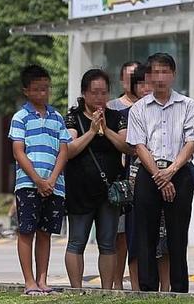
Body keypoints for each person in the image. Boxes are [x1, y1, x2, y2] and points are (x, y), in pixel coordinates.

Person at [126, 52, 194, 293]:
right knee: (145, 234)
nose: (160, 78)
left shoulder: (188, 105)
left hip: (179, 172)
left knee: (178, 234)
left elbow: (191, 142)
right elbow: (138, 146)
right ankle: (148, 289)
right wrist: (159, 177)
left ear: (173, 74)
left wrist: (170, 172)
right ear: (148, 77)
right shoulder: (138, 109)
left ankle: (180, 289)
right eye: (155, 72)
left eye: (165, 72)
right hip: (148, 173)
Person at [64, 69, 130, 289]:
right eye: (94, 93)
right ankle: (76, 290)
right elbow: (70, 149)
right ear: (84, 93)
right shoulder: (73, 117)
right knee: (76, 242)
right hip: (80, 190)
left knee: (108, 243)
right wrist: (92, 131)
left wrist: (105, 129)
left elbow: (127, 146)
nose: (99, 97)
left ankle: (107, 291)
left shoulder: (116, 117)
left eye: (104, 93)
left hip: (109, 192)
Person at [8, 65, 71, 296]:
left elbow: (64, 150)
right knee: (27, 231)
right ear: (26, 90)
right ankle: (29, 281)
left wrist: (51, 180)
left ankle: (43, 279)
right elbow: (18, 151)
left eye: (46, 89)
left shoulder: (57, 117)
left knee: (45, 232)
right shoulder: (20, 117)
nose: (42, 94)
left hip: (55, 185)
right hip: (28, 184)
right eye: (37, 90)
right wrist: (38, 180)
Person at [119, 64, 171, 292]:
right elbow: (133, 148)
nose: (146, 87)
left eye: (149, 83)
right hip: (137, 180)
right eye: (141, 83)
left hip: (167, 178)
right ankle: (138, 287)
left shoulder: (169, 109)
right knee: (137, 236)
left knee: (165, 236)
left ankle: (168, 286)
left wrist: (163, 175)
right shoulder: (131, 114)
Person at [107, 60, 140, 290]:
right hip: (120, 180)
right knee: (120, 235)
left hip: (144, 178)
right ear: (122, 81)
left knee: (138, 236)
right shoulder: (112, 107)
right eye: (129, 77)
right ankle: (117, 283)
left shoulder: (149, 107)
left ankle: (139, 284)